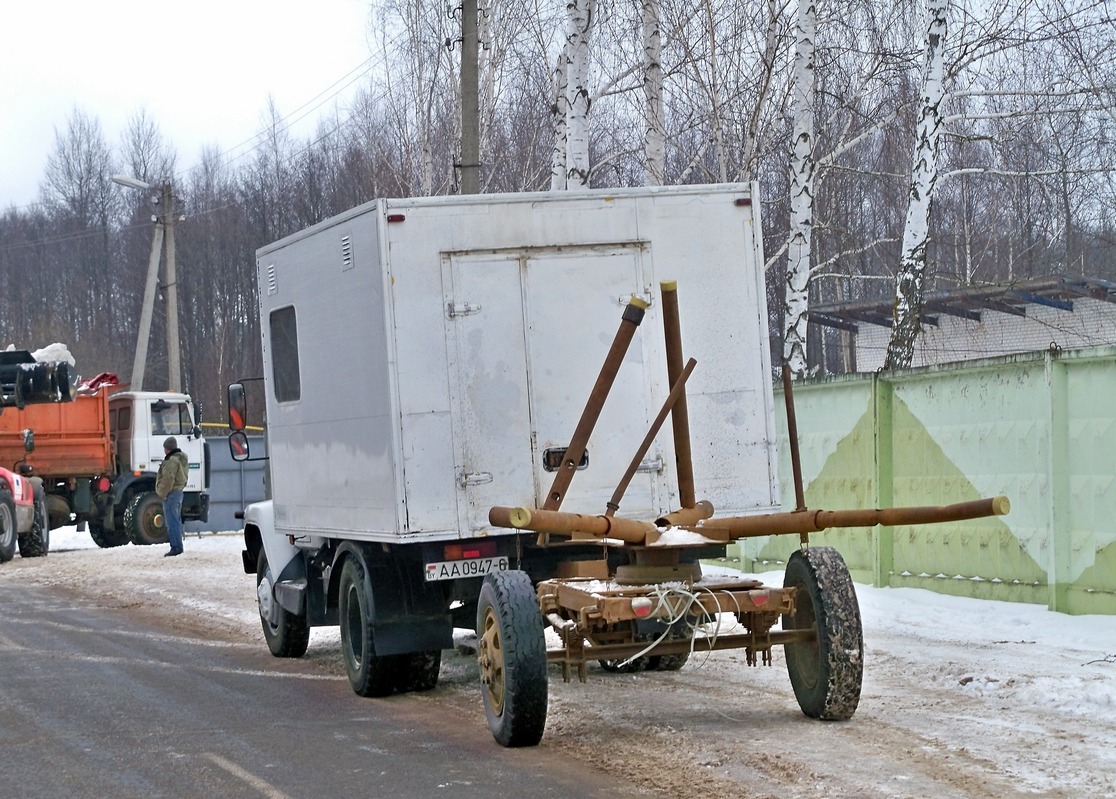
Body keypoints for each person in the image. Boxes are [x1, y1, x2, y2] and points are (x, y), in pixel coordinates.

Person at [156, 436, 189, 556]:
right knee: (175, 520)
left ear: (167, 449)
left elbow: (168, 479)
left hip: (171, 494)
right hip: (179, 492)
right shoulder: (181, 459)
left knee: (171, 522)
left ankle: (176, 547)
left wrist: (162, 493)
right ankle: (177, 546)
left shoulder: (171, 461)